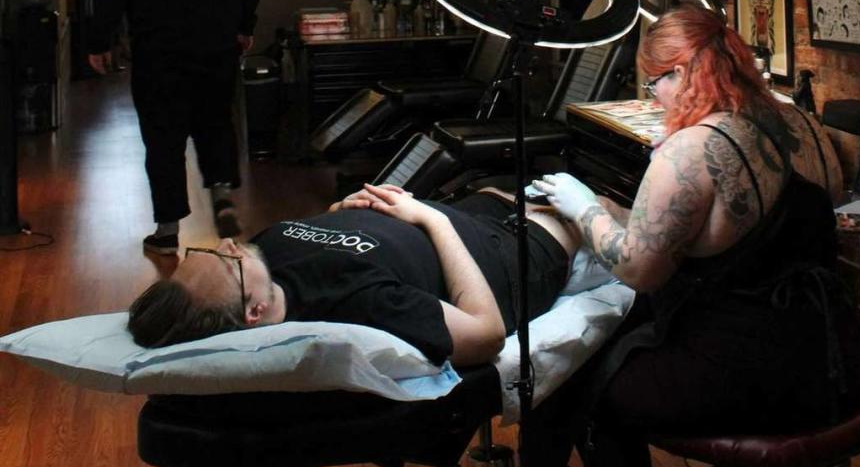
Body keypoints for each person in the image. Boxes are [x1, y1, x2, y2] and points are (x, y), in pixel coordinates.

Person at [527, 4, 860, 467]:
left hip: (746, 375)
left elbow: (639, 271)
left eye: (655, 83)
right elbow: (734, 233)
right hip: (830, 358)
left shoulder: (693, 149)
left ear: (684, 71)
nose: (654, 99)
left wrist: (581, 206)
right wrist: (618, 210)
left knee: (577, 383)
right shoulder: (802, 124)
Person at [126, 184, 580, 367]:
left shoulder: (264, 254)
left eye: (205, 249)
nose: (229, 244)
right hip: (506, 253)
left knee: (513, 181)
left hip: (457, 210)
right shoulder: (356, 306)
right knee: (592, 205)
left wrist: (341, 214)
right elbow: (486, 334)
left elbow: (332, 241)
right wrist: (431, 221)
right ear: (255, 312)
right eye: (229, 262)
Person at [87, 0, 262, 256]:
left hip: (158, 50)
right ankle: (221, 195)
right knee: (215, 121)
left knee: (162, 134)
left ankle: (167, 229)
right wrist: (243, 26)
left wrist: (98, 41)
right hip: (215, 45)